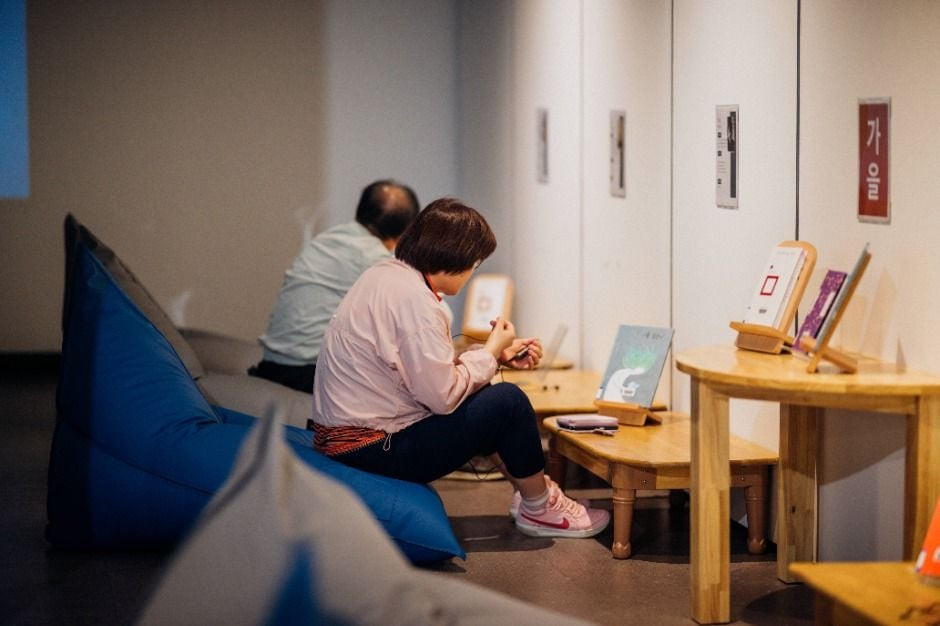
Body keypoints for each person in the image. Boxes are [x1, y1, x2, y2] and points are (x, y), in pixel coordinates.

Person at [311, 198, 610, 538]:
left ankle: (533, 496)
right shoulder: (417, 302)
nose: (471, 275)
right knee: (508, 401)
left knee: (488, 394)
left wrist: (495, 355)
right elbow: (442, 397)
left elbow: (419, 372)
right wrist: (491, 351)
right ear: (456, 259)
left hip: (346, 438)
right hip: (371, 447)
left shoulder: (384, 275)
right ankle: (540, 508)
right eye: (474, 265)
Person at [250, 180, 421, 392]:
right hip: (309, 374)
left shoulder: (328, 239)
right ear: (407, 230)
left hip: (271, 365)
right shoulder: (374, 258)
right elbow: (425, 312)